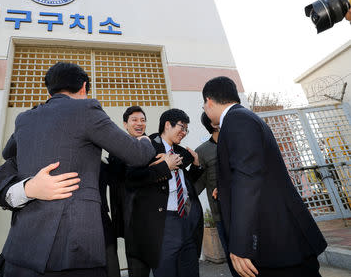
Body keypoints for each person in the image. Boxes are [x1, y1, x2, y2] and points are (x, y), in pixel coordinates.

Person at [0, 62, 155, 277]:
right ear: (84, 87)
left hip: (21, 250)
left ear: (51, 89)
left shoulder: (25, 118)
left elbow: (8, 152)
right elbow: (138, 155)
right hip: (74, 249)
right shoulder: (86, 109)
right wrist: (144, 140)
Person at [202, 76, 327, 277]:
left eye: (204, 105)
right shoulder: (244, 117)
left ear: (209, 101)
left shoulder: (236, 120)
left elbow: (248, 178)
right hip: (278, 237)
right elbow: (253, 172)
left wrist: (241, 244)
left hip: (276, 240)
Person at [125, 108, 204, 277]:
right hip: (164, 223)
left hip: (187, 218)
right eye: (181, 127)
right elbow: (132, 179)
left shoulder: (181, 152)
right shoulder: (147, 145)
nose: (184, 133)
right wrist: (164, 167)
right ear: (168, 125)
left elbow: (186, 181)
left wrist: (196, 166)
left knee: (190, 270)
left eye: (186, 130)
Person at [100, 106, 149, 277]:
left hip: (158, 221)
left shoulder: (153, 146)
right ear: (125, 124)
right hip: (132, 223)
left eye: (143, 120)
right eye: (134, 120)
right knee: (137, 270)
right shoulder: (117, 151)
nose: (139, 124)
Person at [194, 112, 239, 277]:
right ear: (214, 124)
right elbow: (195, 188)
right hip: (223, 216)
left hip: (249, 209)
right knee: (235, 260)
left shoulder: (238, 144)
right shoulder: (202, 152)